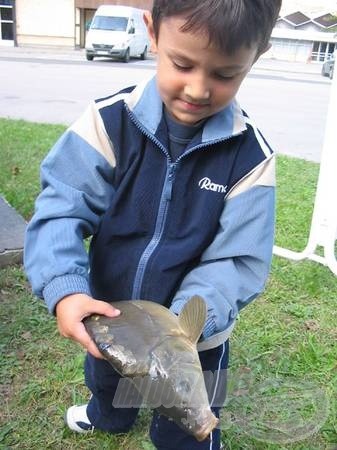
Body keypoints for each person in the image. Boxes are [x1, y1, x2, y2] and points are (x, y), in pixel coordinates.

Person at [24, 0, 282, 449]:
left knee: (190, 414)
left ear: (257, 55)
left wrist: (183, 328)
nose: (199, 89)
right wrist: (64, 287)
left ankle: (190, 438)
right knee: (108, 378)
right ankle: (107, 415)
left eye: (224, 74)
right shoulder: (107, 122)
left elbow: (238, 260)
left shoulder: (251, 158)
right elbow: (62, 207)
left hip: (194, 338)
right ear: (153, 33)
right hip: (112, 317)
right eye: (182, 63)